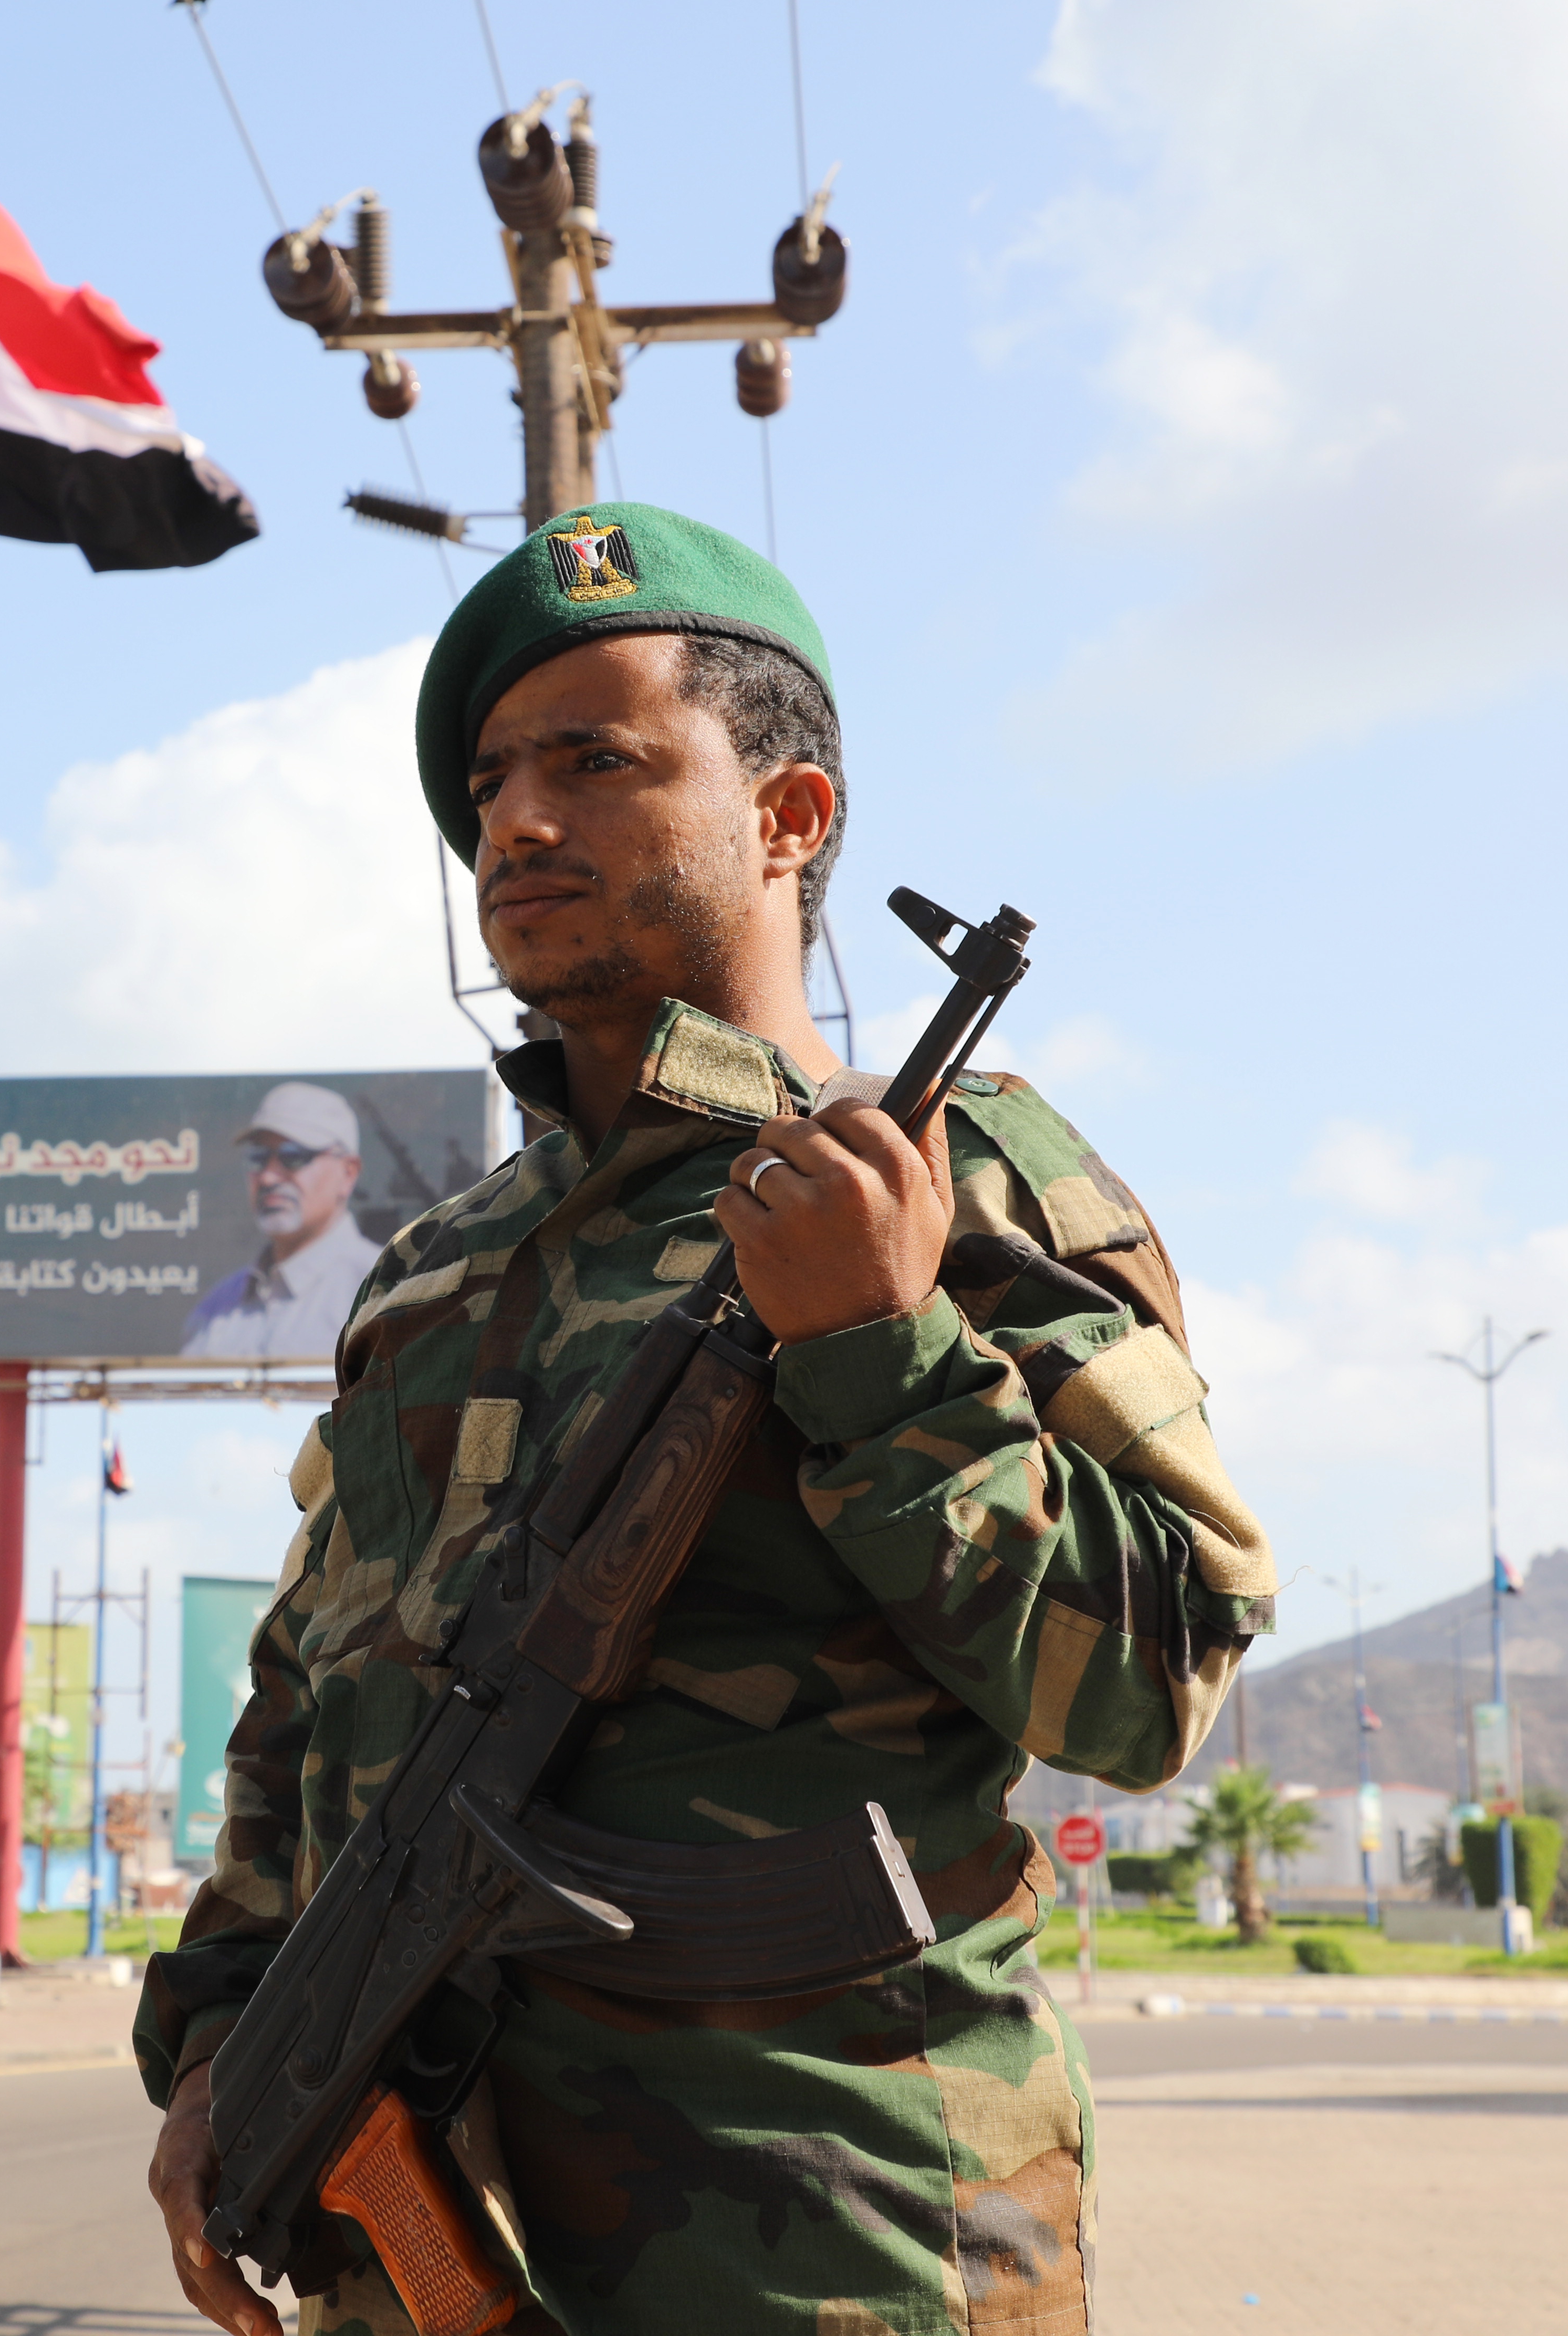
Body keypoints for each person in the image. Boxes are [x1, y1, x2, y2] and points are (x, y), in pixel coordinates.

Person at [135, 502, 1275, 2335]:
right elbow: (306, 1701)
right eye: (494, 779)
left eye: (599, 761)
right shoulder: (433, 1276)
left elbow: (1156, 1680)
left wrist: (884, 1349)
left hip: (825, 2223)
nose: (514, 820)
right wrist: (218, 2048)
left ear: (788, 818)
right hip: (410, 2224)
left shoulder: (965, 1187)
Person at [179, 1082, 385, 1360]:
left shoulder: (382, 1292)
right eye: (258, 1158)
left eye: (294, 1157)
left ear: (348, 1173)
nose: (268, 1178)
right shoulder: (218, 1308)